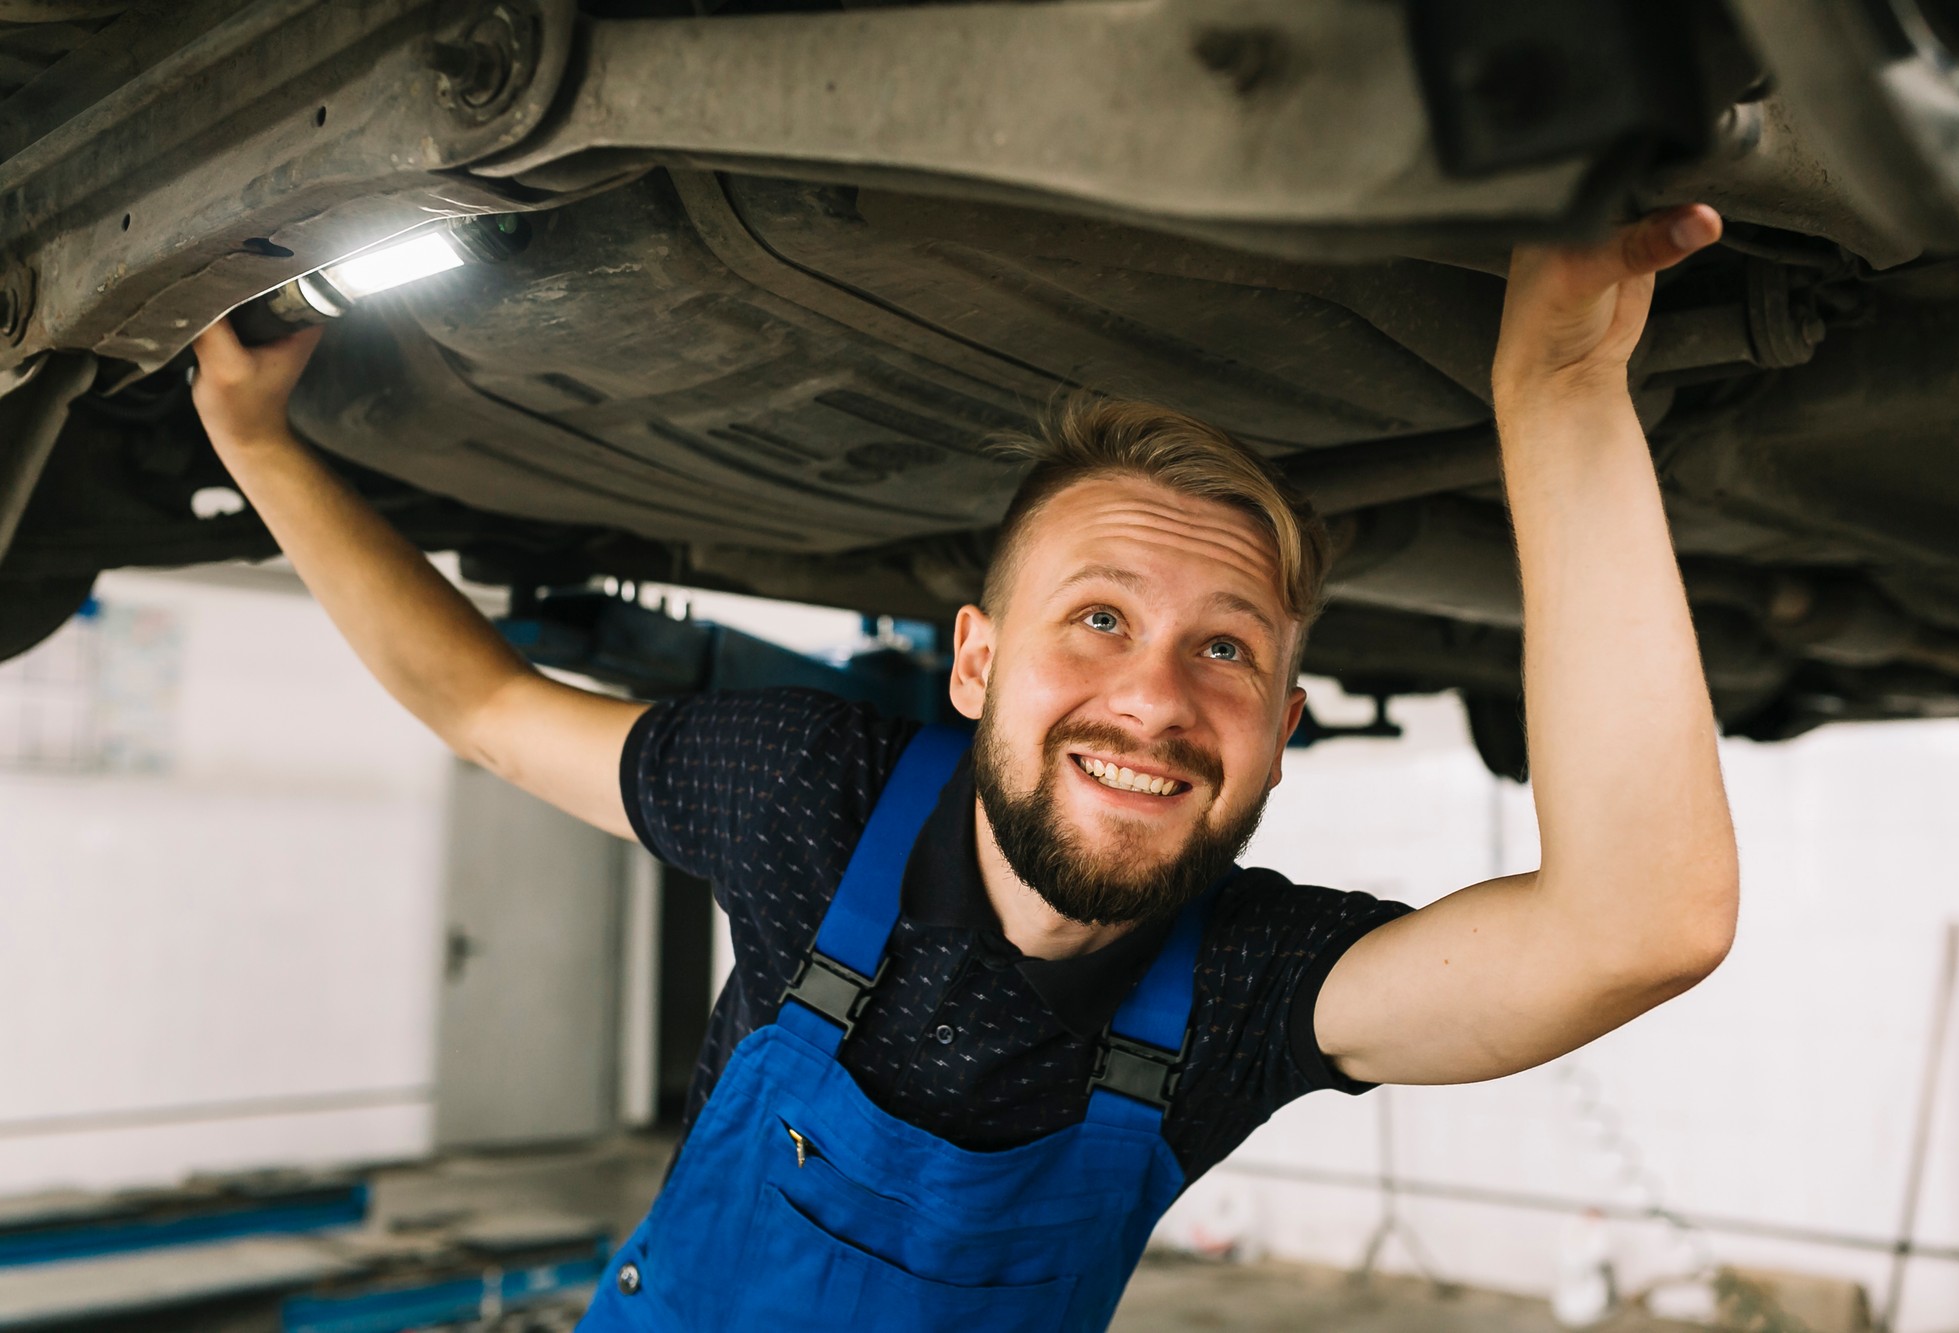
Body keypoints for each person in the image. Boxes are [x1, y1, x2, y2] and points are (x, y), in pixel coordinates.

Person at [189, 203, 1739, 1332]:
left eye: (1227, 650)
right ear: (976, 659)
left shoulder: (1241, 995)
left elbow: (1640, 921)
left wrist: (1561, 394)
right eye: (1101, 618)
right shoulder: (814, 802)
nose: (1152, 698)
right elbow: (484, 708)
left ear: (1281, 725)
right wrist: (261, 447)